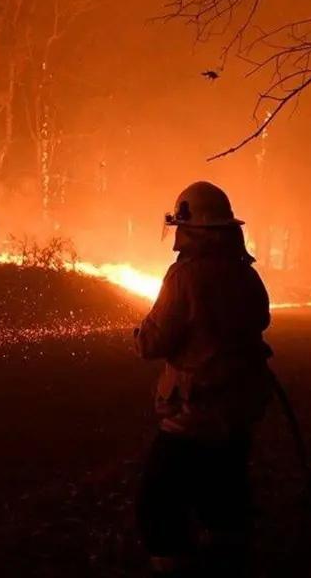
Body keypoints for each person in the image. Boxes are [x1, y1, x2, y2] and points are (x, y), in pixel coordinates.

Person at [133, 181, 275, 578]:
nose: (177, 235)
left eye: (181, 225)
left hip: (193, 416)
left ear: (195, 228)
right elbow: (261, 321)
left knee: (157, 506)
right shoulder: (247, 276)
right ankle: (228, 564)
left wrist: (140, 334)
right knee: (224, 500)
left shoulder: (184, 277)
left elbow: (154, 342)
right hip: (237, 413)